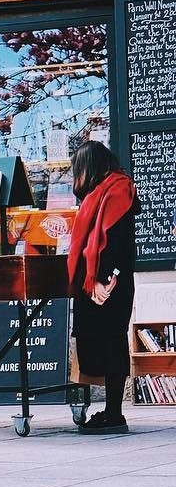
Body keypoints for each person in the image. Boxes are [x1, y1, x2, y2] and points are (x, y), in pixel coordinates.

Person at [68, 140, 139, 433]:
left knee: (111, 342)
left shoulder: (116, 192)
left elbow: (120, 244)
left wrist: (105, 280)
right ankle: (110, 411)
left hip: (108, 284)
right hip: (96, 283)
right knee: (101, 342)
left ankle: (114, 413)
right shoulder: (100, 194)